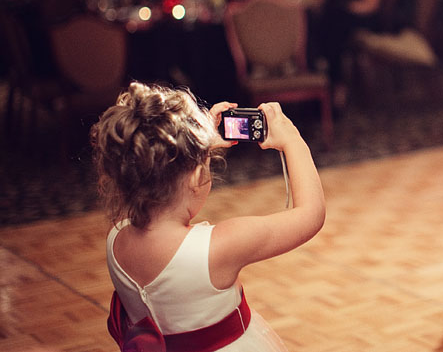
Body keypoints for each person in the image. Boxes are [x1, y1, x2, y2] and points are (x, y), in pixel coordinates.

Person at [92, 82, 325, 351]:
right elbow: (311, 214)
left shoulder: (116, 239)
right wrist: (293, 140)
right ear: (195, 177)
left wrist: (196, 146)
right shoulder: (218, 247)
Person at [309, 0, 385, 108]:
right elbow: (319, 0)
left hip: (363, 20)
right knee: (315, 23)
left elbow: (371, 5)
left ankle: (335, 85)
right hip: (336, 21)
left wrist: (345, 6)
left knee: (334, 27)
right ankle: (318, 82)